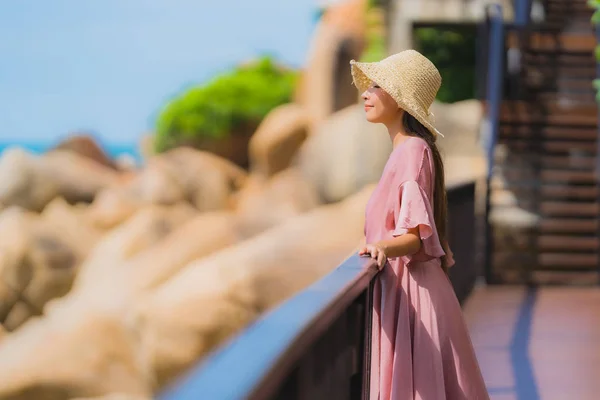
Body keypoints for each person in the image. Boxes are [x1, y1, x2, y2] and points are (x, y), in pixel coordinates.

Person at [350, 50, 489, 400]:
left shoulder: (411, 150)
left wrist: (381, 247)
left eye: (377, 86)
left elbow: (413, 236)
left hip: (411, 292)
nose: (366, 93)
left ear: (399, 99)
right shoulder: (408, 150)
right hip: (410, 291)